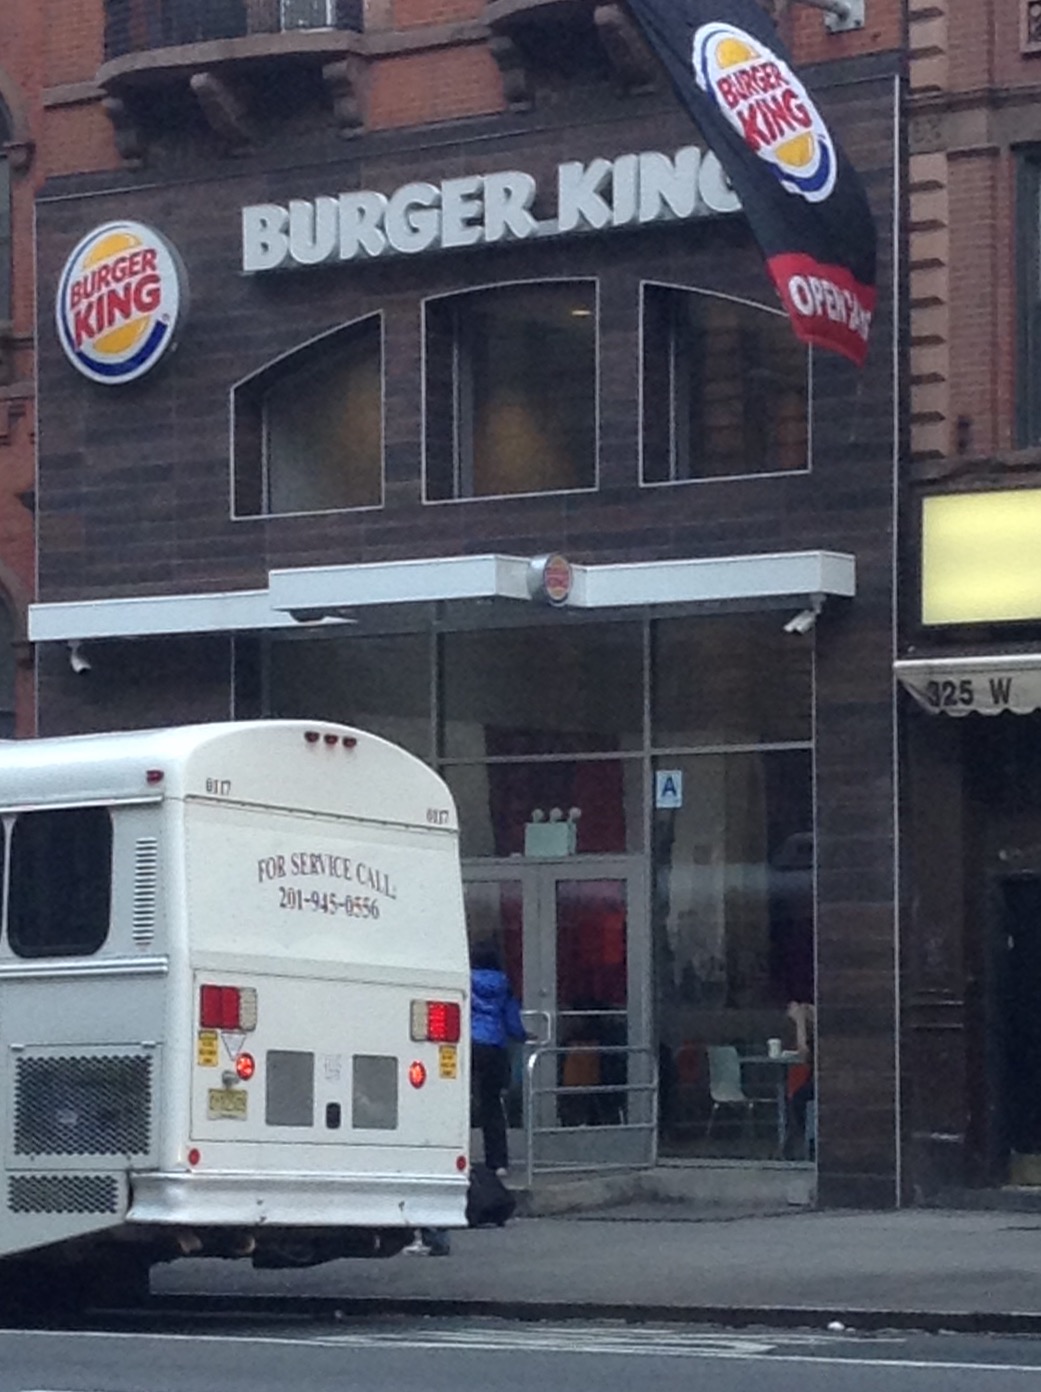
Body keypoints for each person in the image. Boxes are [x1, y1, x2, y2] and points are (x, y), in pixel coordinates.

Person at [470, 939, 526, 1176]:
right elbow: (513, 1021)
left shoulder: (466, 979)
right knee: (492, 1104)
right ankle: (498, 1162)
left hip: (469, 1046)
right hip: (495, 1047)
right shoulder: (504, 985)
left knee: (462, 1103)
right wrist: (522, 1035)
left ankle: (462, 1155)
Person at [786, 1000, 816, 1153]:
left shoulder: (817, 1032)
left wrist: (800, 1023)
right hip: (814, 1078)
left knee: (798, 1098)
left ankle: (804, 1135)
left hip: (819, 1080)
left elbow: (804, 1054)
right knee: (797, 1095)